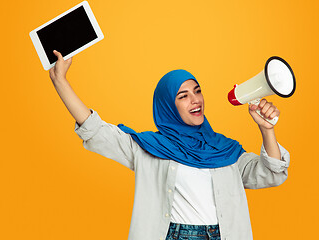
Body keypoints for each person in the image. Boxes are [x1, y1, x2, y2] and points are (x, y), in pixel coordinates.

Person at [49, 50, 290, 240]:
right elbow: (95, 129)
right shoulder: (148, 148)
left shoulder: (226, 151)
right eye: (183, 96)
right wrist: (60, 81)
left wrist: (266, 129)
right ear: (167, 106)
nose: (195, 100)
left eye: (197, 91)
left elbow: (272, 174)